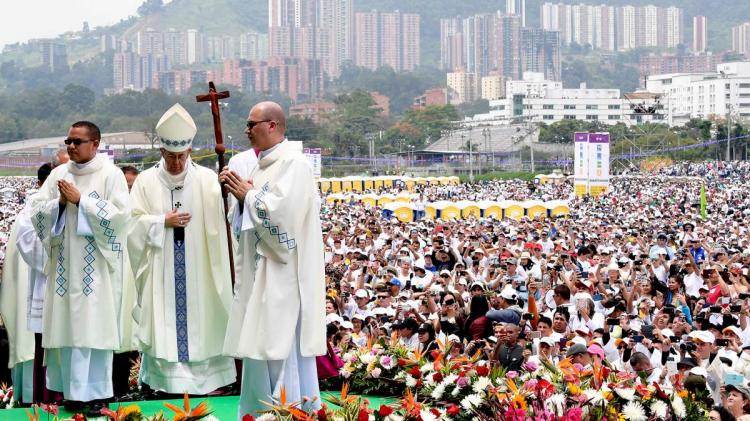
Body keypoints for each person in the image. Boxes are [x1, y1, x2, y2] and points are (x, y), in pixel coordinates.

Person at [220, 101, 325, 419]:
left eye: (252, 124)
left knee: (281, 348)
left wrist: (248, 197)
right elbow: (243, 219)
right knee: (259, 345)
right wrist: (238, 200)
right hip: (259, 273)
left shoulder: (295, 165)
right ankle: (256, 411)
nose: (247, 130)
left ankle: (290, 411)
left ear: (273, 125)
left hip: (283, 274)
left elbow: (287, 220)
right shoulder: (258, 166)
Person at [128, 104, 235, 395]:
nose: (176, 163)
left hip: (200, 265)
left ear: (189, 152)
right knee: (164, 323)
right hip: (161, 265)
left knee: (205, 318)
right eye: (170, 156)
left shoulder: (206, 180)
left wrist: (227, 194)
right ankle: (166, 383)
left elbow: (225, 218)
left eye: (181, 156)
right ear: (161, 152)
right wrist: (162, 221)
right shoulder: (146, 181)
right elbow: (132, 224)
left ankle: (209, 381)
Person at [29, 121, 130, 414]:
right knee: (67, 332)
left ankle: (94, 395)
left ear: (95, 143)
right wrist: (59, 204)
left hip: (95, 272)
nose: (70, 146)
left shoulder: (111, 176)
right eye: (68, 141)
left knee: (92, 331)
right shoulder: (59, 174)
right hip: (63, 269)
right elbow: (36, 209)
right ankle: (71, 394)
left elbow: (121, 218)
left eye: (77, 141)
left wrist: (82, 201)